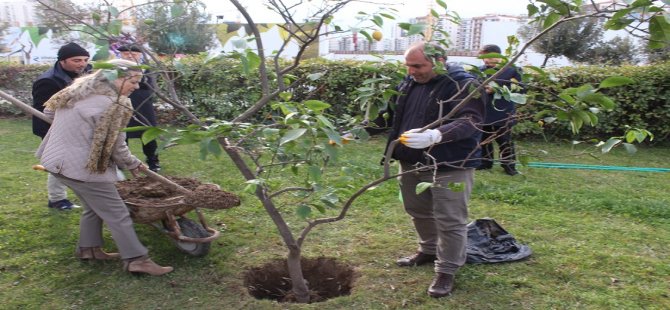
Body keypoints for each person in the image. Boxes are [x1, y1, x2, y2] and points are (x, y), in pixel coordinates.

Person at [364, 42, 485, 298]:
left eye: (417, 65)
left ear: (439, 60)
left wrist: (437, 135)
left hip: (450, 164)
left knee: (450, 219)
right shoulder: (408, 83)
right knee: (417, 210)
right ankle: (429, 250)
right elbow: (391, 115)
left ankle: (447, 269)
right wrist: (360, 129)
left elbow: (471, 120)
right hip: (410, 162)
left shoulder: (462, 84)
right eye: (408, 65)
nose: (411, 71)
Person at [35, 59, 173, 276]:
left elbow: (51, 114)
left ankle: (89, 250)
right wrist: (134, 164)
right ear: (117, 78)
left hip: (55, 161)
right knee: (118, 213)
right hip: (80, 167)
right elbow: (117, 147)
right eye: (134, 81)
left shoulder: (76, 91)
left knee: (93, 207)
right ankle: (137, 260)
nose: (136, 87)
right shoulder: (114, 104)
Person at [32, 42, 91, 210]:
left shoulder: (86, 72)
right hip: (52, 127)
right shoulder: (48, 81)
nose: (82, 63)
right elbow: (43, 110)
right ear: (62, 61)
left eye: (85, 59)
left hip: (77, 125)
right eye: (77, 60)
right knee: (59, 163)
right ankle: (57, 199)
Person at [477, 44, 523, 176]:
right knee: (484, 139)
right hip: (485, 110)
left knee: (504, 140)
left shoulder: (513, 70)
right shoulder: (480, 70)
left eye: (487, 57)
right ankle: (485, 162)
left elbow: (519, 89)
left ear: (495, 55)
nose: (484, 61)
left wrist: (498, 89)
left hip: (503, 111)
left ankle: (509, 166)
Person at [117, 44, 161, 172]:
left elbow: (150, 86)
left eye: (133, 54)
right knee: (121, 135)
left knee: (148, 135)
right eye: (125, 53)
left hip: (143, 107)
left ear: (140, 55)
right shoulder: (116, 69)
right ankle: (123, 163)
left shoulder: (147, 69)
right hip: (122, 105)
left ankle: (153, 162)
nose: (129, 55)